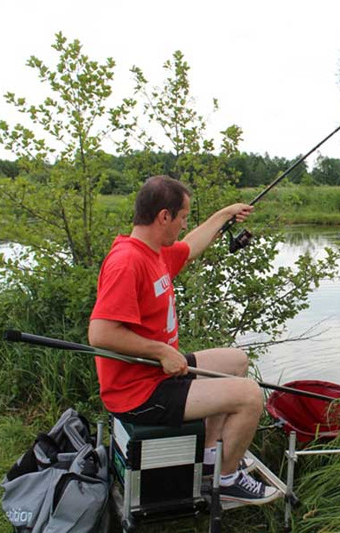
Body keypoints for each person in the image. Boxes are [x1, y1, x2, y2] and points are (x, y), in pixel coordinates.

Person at [88, 175, 277, 504]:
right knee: (249, 395)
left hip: (156, 374)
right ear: (164, 216)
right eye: (183, 217)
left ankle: (209, 457)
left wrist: (223, 215)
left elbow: (190, 246)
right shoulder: (128, 262)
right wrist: (160, 350)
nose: (184, 224)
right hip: (138, 392)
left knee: (235, 361)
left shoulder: (154, 252)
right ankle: (228, 480)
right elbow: (101, 334)